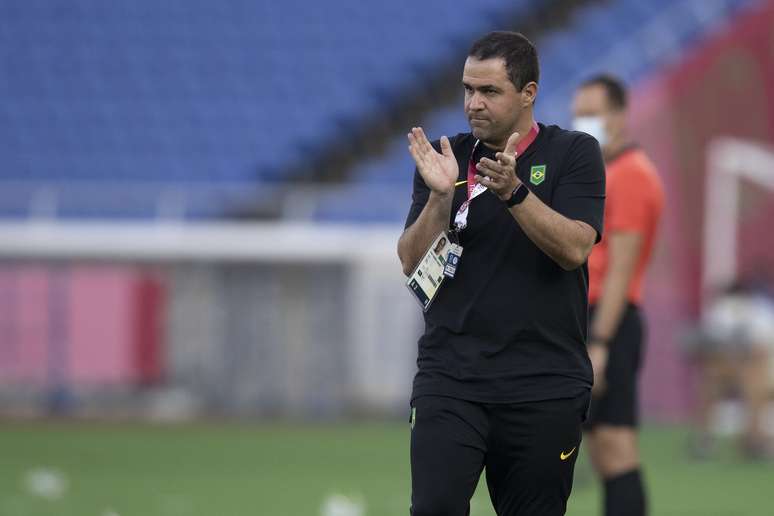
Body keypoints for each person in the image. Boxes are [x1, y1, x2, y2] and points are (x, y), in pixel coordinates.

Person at [398, 31, 606, 516]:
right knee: (434, 508)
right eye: (468, 89)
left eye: (489, 91)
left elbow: (575, 248)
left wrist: (514, 192)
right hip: (451, 378)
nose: (474, 103)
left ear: (528, 93)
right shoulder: (445, 160)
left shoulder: (574, 153)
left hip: (544, 381)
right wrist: (438, 196)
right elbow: (411, 261)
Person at [571, 74, 664, 516]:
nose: (583, 121)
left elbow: (623, 267)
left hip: (609, 317)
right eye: (579, 113)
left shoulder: (632, 176)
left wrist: (601, 342)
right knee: (604, 446)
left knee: (615, 444)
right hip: (592, 315)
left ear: (620, 116)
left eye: (593, 112)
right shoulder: (608, 171)